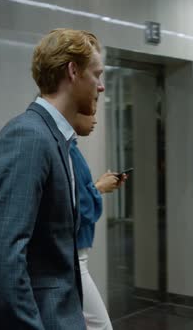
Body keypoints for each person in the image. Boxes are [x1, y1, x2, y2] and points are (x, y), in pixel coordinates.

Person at [0, 28, 105, 330]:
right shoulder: (28, 138)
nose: (101, 86)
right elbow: (6, 259)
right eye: (97, 74)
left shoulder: (54, 138)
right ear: (73, 71)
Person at [70, 108, 126, 330]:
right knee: (100, 326)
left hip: (76, 251)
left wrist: (97, 187)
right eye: (89, 111)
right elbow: (78, 206)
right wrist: (99, 188)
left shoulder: (71, 148)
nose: (95, 120)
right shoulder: (66, 150)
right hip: (74, 254)